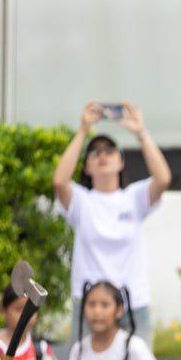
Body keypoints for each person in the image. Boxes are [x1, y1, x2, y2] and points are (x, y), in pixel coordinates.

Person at [52, 100, 172, 342]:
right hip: (90, 306)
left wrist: (141, 133)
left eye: (109, 151)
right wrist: (83, 129)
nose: (102, 156)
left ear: (121, 162)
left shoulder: (134, 197)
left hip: (132, 303)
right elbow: (59, 181)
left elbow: (163, 178)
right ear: (86, 167)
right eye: (95, 153)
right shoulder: (82, 201)